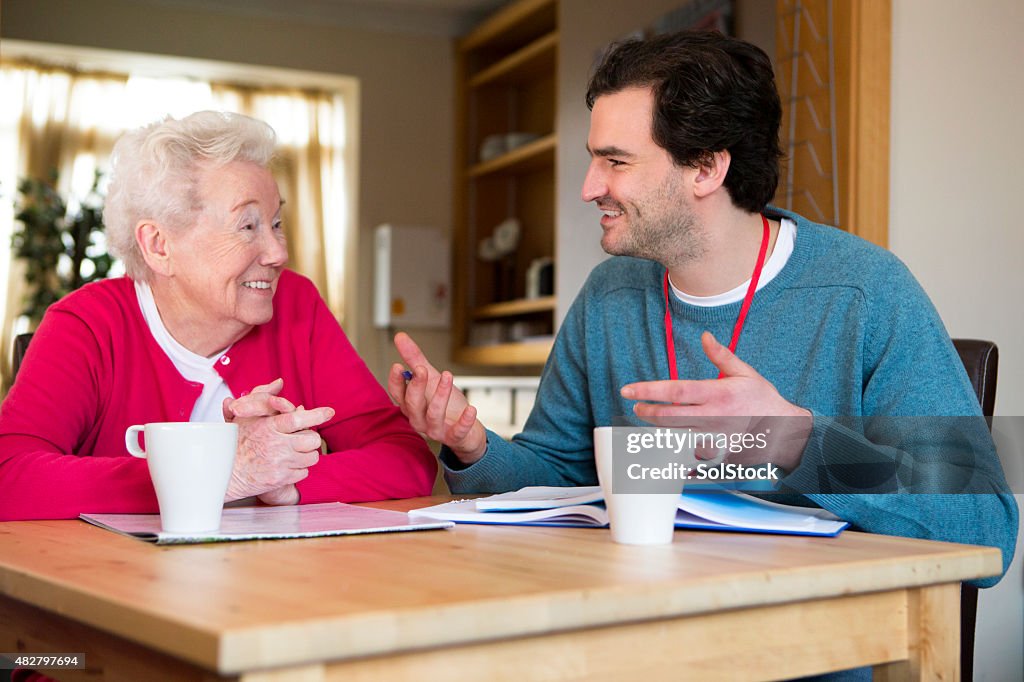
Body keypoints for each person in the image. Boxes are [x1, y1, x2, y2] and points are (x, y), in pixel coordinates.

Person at [388, 30, 1017, 593]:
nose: (588, 187)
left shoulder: (865, 293)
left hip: (812, 654)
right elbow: (558, 482)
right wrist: (472, 448)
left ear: (707, 167)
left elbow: (985, 527)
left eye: (616, 161)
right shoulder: (609, 298)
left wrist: (797, 442)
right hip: (633, 636)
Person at [0, 111, 436, 520]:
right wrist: (211, 473)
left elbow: (405, 457)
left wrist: (284, 484)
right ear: (158, 245)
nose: (278, 253)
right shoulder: (88, 325)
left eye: (276, 223)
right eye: (248, 226)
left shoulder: (296, 305)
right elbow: (9, 476)